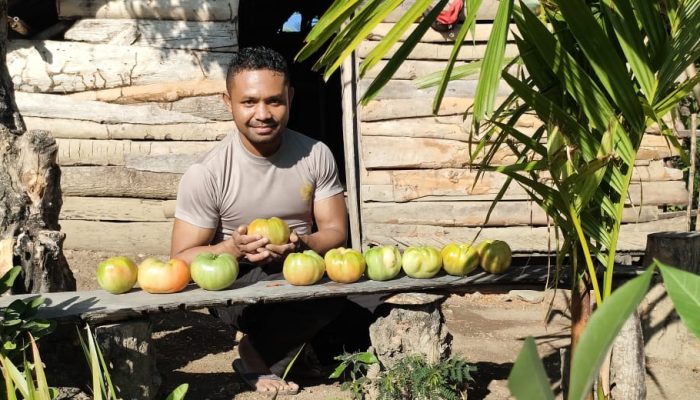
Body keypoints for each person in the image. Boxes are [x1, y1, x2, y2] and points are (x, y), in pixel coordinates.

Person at [170, 46, 371, 395]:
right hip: (241, 283)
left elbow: (336, 232)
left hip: (303, 271)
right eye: (249, 102)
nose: (262, 113)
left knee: (367, 318)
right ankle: (254, 351)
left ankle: (300, 349)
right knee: (326, 300)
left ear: (290, 97)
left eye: (274, 101)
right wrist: (232, 248)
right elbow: (181, 257)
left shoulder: (315, 155)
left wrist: (301, 243)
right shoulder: (207, 173)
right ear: (227, 101)